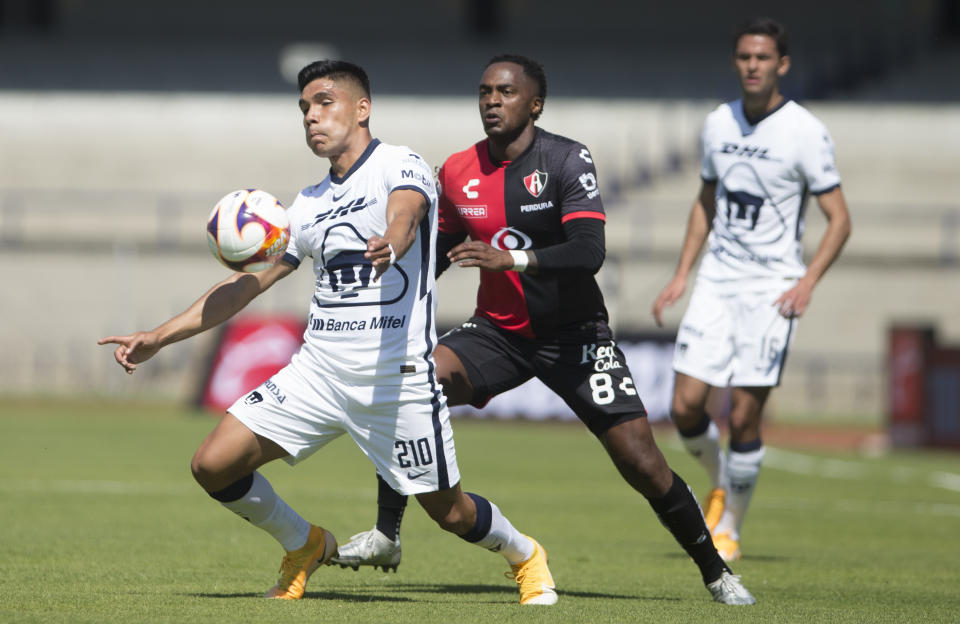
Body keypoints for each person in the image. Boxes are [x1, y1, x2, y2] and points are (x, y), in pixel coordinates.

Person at [98, 59, 559, 606]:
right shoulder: (308, 205)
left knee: (450, 512)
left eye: (324, 103)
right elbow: (246, 286)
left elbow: (406, 213)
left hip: (395, 380)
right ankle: (305, 543)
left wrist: (393, 238)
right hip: (318, 373)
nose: (311, 118)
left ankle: (525, 555)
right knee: (212, 464)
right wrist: (160, 335)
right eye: (303, 109)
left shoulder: (399, 164)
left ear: (361, 108)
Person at [330, 54, 755, 606]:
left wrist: (516, 262)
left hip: (576, 337)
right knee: (410, 382)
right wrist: (381, 288)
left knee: (641, 462)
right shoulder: (457, 170)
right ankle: (388, 533)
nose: (491, 101)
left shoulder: (565, 158)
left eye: (505, 92)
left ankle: (716, 571)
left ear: (535, 103)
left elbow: (589, 250)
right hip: (497, 335)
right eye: (484, 91)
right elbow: (436, 253)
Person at [651, 18, 852, 562]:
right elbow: (706, 200)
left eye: (763, 57)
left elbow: (839, 219)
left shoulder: (805, 132)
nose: (753, 66)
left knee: (743, 415)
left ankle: (730, 525)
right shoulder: (718, 123)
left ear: (782, 64)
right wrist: (682, 274)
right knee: (685, 407)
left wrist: (807, 282)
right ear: (736, 62)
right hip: (718, 280)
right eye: (744, 57)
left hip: (772, 289)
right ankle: (719, 483)